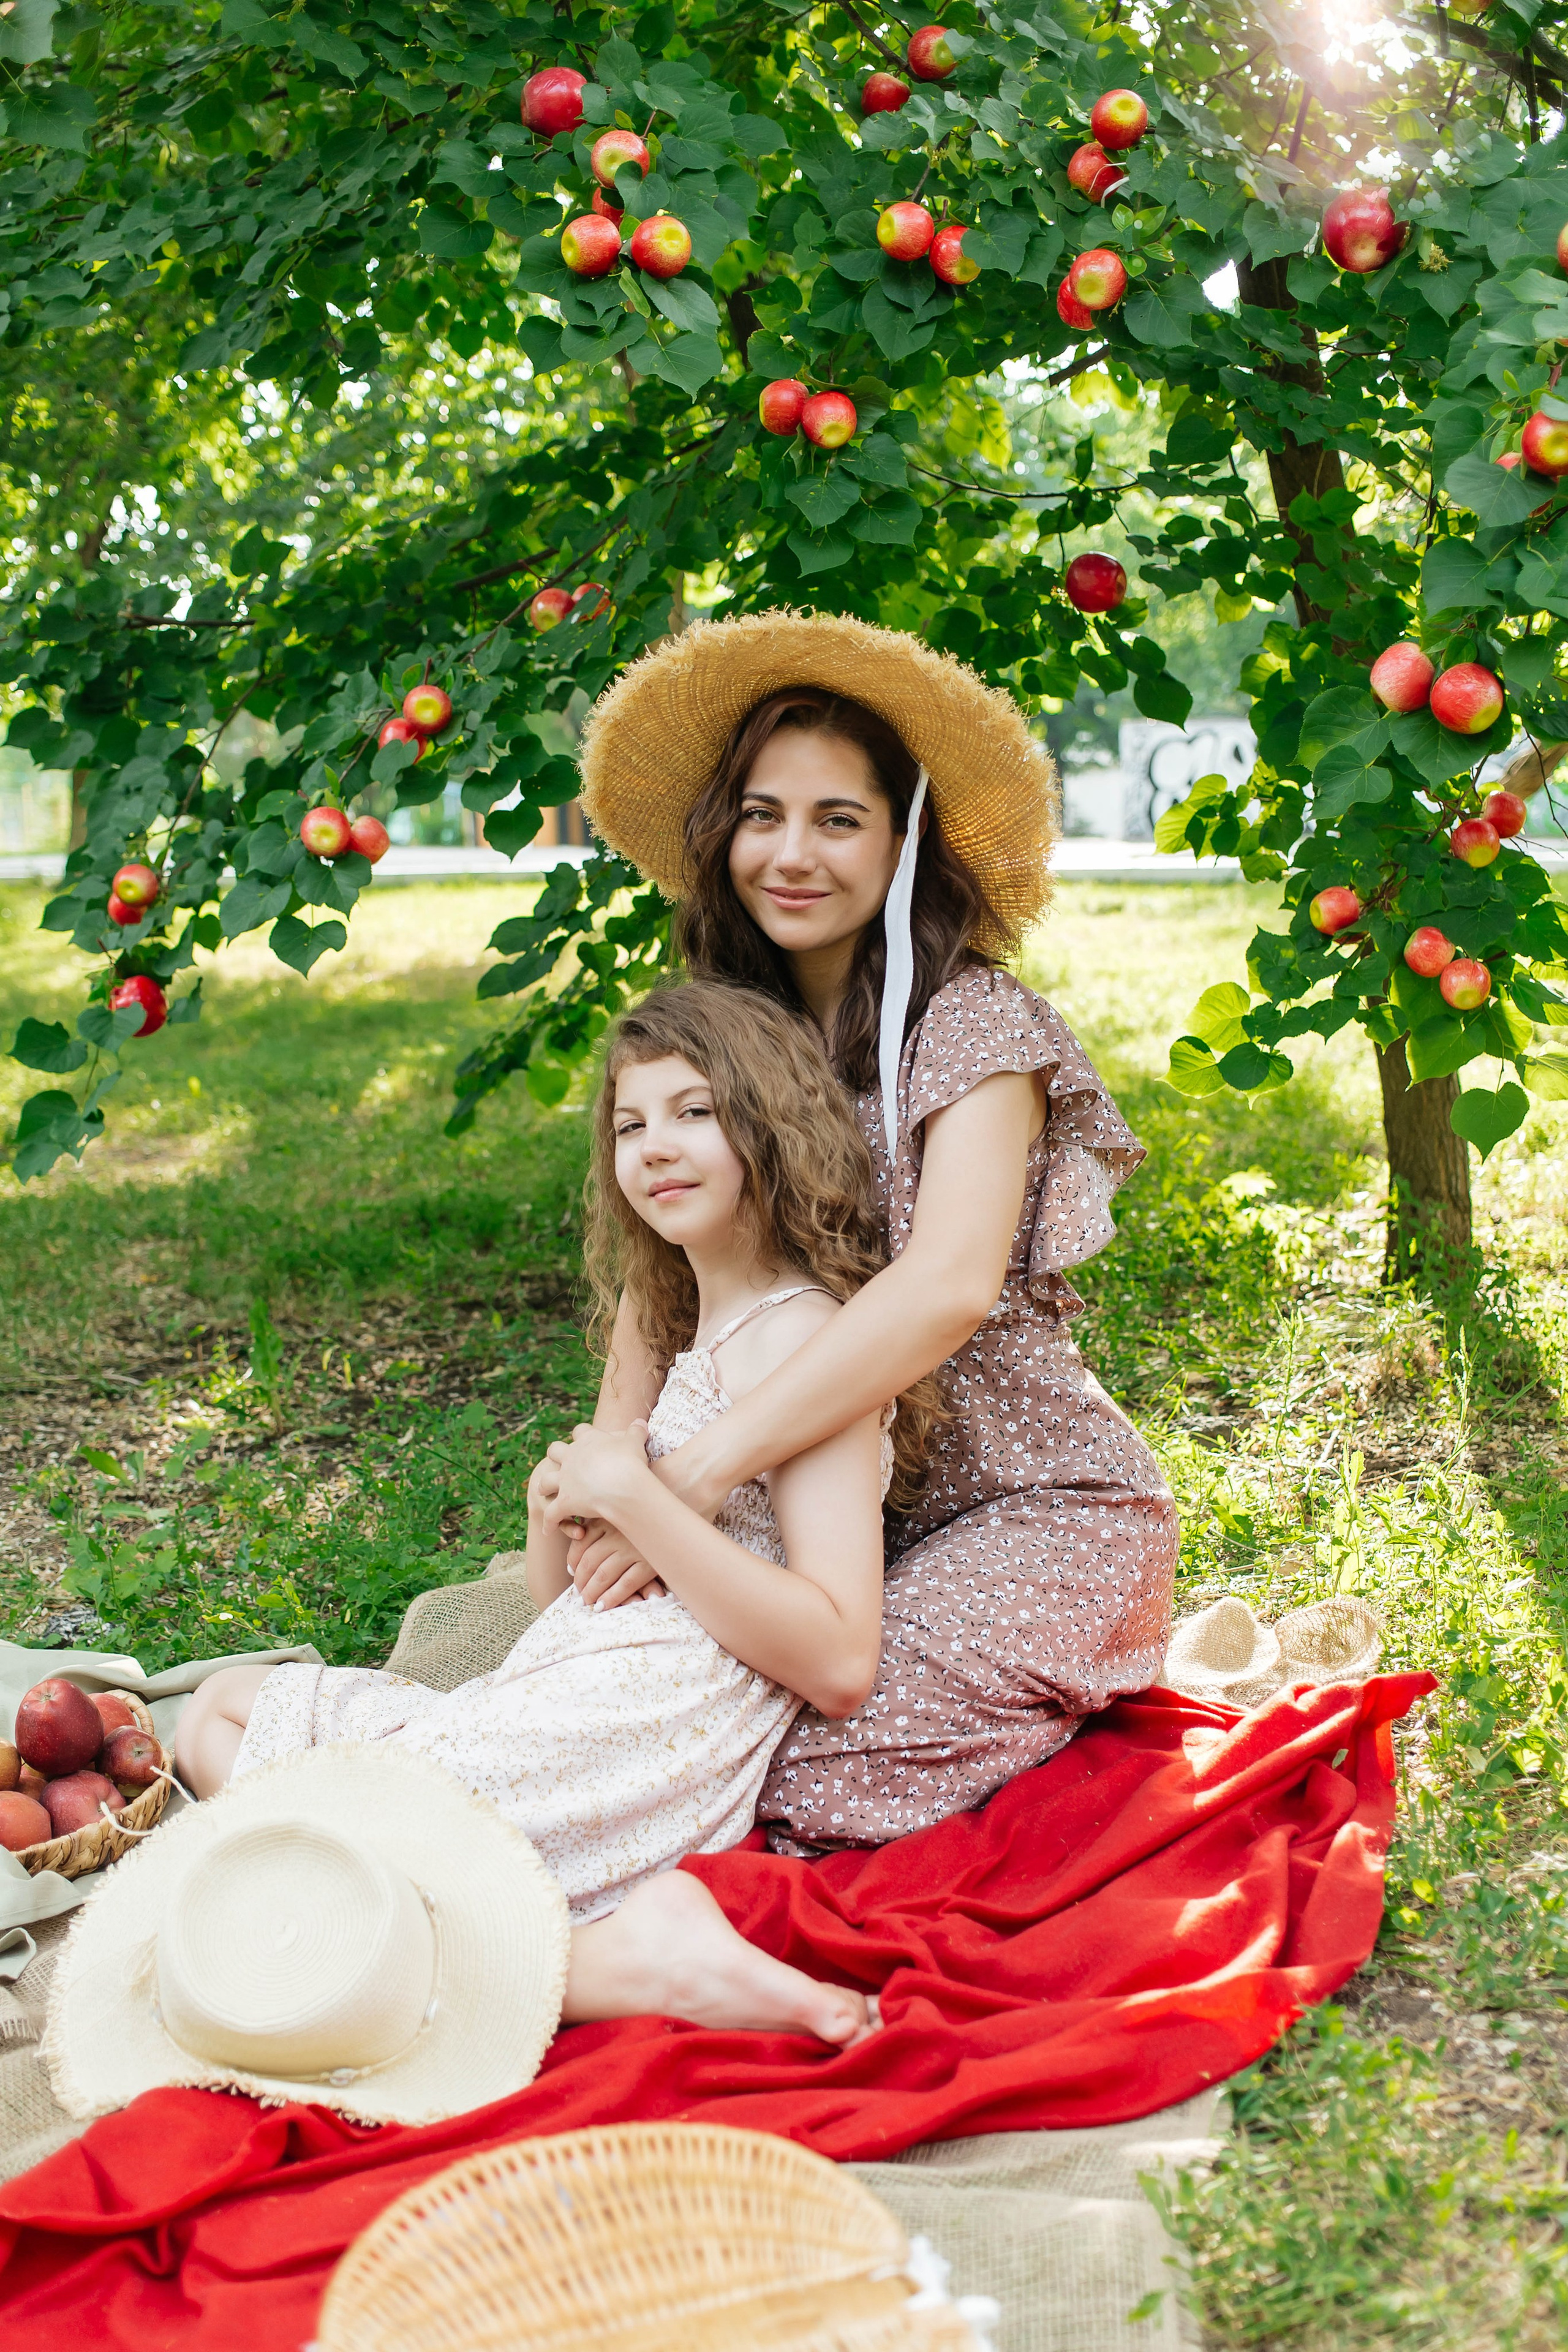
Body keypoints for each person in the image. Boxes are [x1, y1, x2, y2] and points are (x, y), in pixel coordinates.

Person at [176, 982, 935, 2046]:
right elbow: (564, 1607)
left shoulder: (801, 1342)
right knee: (221, 1713)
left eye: (694, 1112)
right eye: (631, 1126)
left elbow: (841, 1657)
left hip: (651, 1720)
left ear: (770, 1126)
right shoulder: (690, 1333)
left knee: (269, 1809)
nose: (655, 1148)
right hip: (567, 1680)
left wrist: (637, 1498)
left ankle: (612, 1962)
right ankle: (605, 1958)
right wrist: (556, 1520)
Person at [555, 609, 1180, 1856]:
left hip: (1020, 1505)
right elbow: (656, 1276)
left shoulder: (974, 1026)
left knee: (797, 1767)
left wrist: (685, 1480)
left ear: (903, 844)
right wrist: (611, 1482)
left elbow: (944, 1287)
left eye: (837, 819)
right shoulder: (726, 1035)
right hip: (817, 1524)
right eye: (762, 815)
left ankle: (1059, 1663)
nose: (790, 854)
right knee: (634, 1724)